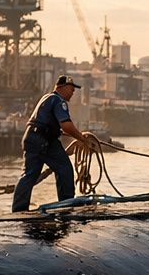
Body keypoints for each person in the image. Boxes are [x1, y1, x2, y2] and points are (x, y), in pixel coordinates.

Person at [11, 75, 95, 212]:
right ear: (62, 87)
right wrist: (82, 139)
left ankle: (18, 209)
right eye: (71, 88)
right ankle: (66, 205)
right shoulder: (59, 101)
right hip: (44, 141)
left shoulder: (47, 97)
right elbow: (66, 125)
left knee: (29, 174)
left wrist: (60, 132)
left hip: (31, 138)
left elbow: (48, 123)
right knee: (65, 169)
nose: (73, 92)